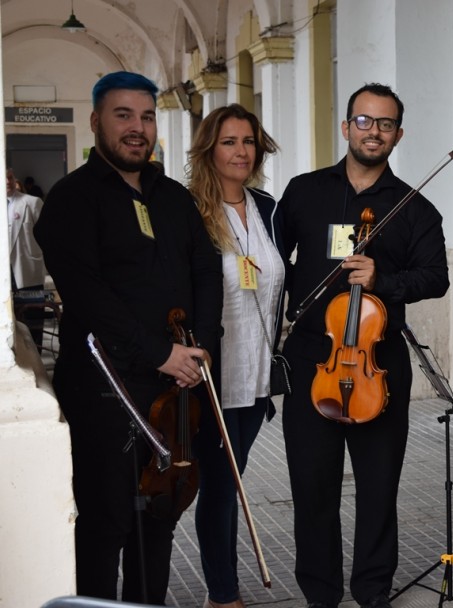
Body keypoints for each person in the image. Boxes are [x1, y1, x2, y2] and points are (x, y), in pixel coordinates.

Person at [33, 71, 222, 604]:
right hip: (105, 389)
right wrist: (160, 352)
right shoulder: (71, 200)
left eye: (145, 116)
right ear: (96, 122)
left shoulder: (174, 197)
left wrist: (201, 343)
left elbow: (206, 269)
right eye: (123, 116)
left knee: (158, 517)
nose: (137, 128)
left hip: (173, 386)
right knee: (106, 519)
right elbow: (89, 297)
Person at [279, 83, 449, 608]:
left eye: (385, 124)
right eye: (364, 120)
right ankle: (320, 595)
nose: (373, 131)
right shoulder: (304, 191)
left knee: (378, 488)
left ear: (399, 134)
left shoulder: (414, 208)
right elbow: (270, 260)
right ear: (347, 124)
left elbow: (436, 279)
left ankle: (373, 591)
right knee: (312, 488)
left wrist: (385, 281)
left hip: (379, 360)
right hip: (313, 357)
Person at [187, 104, 284, 608]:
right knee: (222, 487)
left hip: (256, 374)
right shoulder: (189, 212)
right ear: (209, 149)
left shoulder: (267, 208)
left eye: (248, 141)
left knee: (231, 482)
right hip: (213, 375)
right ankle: (222, 594)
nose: (241, 151)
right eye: (229, 141)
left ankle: (222, 588)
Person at [7, 167, 48, 347]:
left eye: (10, 177)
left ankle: (37, 360)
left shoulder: (32, 202)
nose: (8, 181)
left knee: (33, 321)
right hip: (5, 275)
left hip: (28, 271)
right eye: (4, 178)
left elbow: (49, 237)